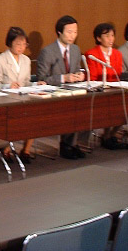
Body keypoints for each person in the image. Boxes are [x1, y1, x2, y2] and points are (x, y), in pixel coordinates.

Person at [36, 15, 86, 160]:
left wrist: (79, 75)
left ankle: (73, 144)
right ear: (59, 32)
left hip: (72, 91)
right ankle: (66, 145)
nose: (72, 36)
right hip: (54, 94)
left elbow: (76, 69)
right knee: (69, 108)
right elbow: (42, 78)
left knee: (83, 106)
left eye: (75, 32)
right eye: (69, 32)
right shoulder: (47, 51)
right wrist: (64, 78)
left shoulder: (75, 49)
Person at [0, 27, 37, 162]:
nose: (21, 47)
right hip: (5, 101)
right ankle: (6, 150)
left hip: (23, 99)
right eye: (18, 44)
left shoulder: (26, 60)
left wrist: (35, 84)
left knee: (35, 115)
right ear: (10, 43)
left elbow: (26, 82)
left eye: (24, 44)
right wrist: (7, 86)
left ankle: (26, 150)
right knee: (12, 119)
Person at [85, 23, 128, 150]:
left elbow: (117, 74)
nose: (111, 39)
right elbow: (93, 76)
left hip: (114, 90)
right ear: (99, 38)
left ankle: (110, 135)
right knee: (110, 107)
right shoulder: (91, 54)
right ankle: (107, 136)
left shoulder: (117, 54)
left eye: (112, 36)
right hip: (99, 92)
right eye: (107, 36)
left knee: (126, 106)